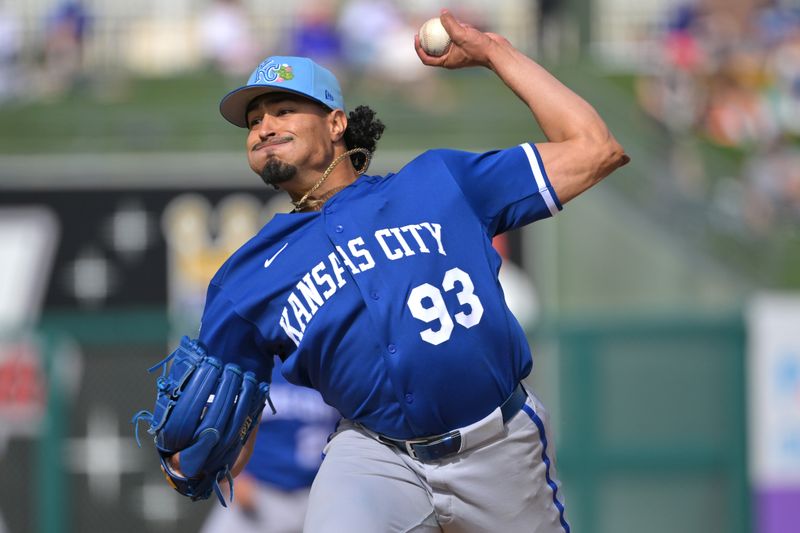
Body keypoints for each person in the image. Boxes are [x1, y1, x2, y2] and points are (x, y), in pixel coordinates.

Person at [174, 9, 629, 532]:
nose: (263, 127)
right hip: (375, 458)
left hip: (499, 446)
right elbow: (232, 413)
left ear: (337, 122)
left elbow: (596, 149)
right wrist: (195, 460)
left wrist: (493, 52)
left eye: (282, 109)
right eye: (253, 122)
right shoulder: (247, 277)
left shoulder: (438, 183)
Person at [200, 356, 340, 533]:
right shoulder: (257, 363)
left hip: (318, 496)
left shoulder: (329, 367)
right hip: (258, 494)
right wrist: (230, 479)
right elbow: (219, 427)